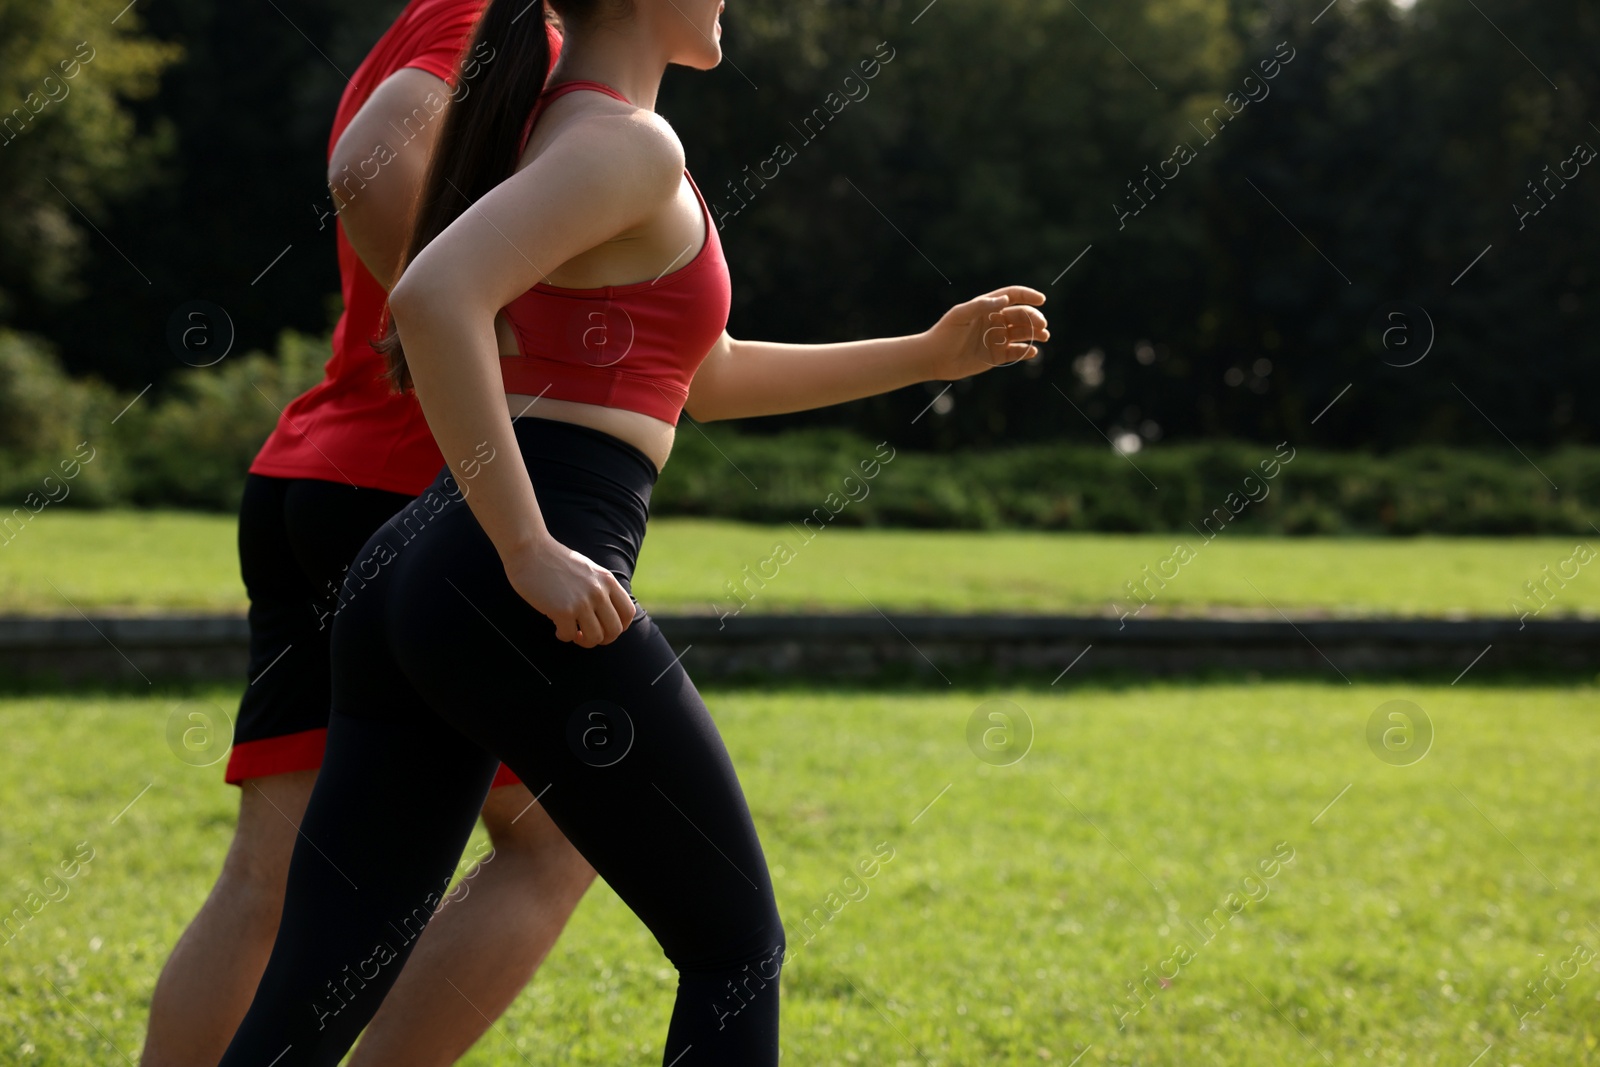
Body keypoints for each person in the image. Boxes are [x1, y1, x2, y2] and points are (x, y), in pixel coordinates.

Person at [218, 0, 1049, 1062]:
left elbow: (703, 377)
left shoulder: (565, 130)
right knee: (734, 946)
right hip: (508, 570)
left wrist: (925, 355)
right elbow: (432, 296)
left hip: (412, 574)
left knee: (315, 984)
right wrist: (525, 547)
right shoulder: (626, 143)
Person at [137, 6, 591, 1067]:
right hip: (412, 490)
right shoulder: (507, 28)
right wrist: (481, 335)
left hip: (315, 473)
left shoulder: (436, 14)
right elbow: (369, 161)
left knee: (270, 872)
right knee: (553, 841)